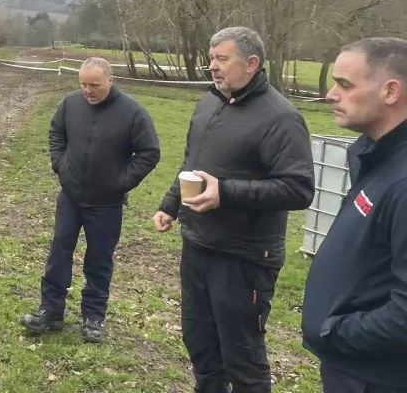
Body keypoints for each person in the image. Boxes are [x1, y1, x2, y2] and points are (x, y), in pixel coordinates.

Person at [153, 26, 315, 393]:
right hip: (198, 245)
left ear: (252, 63)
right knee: (200, 342)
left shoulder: (281, 118)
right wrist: (171, 204)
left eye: (221, 59)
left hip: (244, 257)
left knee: (242, 357)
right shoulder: (211, 101)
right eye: (211, 58)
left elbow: (298, 188)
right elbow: (192, 161)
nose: (212, 66)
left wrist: (226, 193)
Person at [22, 56, 161, 342]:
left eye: (94, 85)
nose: (88, 90)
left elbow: (149, 153)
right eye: (84, 84)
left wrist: (121, 182)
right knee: (59, 253)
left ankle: (93, 318)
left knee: (99, 261)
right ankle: (51, 311)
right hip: (70, 197)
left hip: (107, 204)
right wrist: (60, 166)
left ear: (110, 80)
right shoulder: (70, 104)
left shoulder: (133, 113)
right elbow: (55, 134)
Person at [301, 37, 407, 393]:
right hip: (349, 367)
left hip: (375, 377)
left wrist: (334, 331)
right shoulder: (375, 155)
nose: (331, 94)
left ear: (391, 91)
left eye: (345, 85)